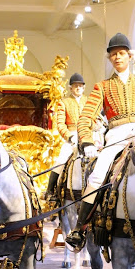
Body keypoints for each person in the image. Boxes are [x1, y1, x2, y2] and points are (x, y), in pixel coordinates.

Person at [66, 32, 135, 250]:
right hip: (117, 137)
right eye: (113, 55)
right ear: (110, 59)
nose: (117, 58)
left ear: (130, 56)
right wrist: (88, 142)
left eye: (121, 53)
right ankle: (80, 229)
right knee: (97, 176)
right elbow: (86, 117)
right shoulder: (102, 86)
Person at [44, 73, 87, 205]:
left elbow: (95, 118)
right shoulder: (64, 102)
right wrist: (69, 136)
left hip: (87, 135)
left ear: (84, 88)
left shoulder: (88, 101)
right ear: (71, 88)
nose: (78, 88)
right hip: (72, 136)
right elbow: (60, 124)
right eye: (76, 86)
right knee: (61, 161)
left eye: (80, 86)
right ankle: (50, 191)